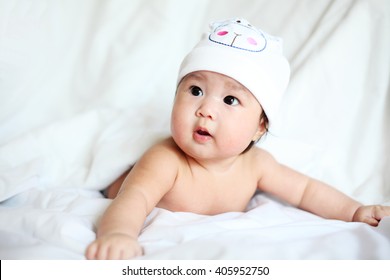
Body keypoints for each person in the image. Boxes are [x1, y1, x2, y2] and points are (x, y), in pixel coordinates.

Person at [85, 18, 390, 260]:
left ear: (259, 127)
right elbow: (133, 199)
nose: (205, 110)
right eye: (195, 91)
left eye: (230, 100)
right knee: (126, 181)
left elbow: (306, 190)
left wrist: (354, 211)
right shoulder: (167, 159)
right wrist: (119, 234)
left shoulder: (256, 164)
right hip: (125, 183)